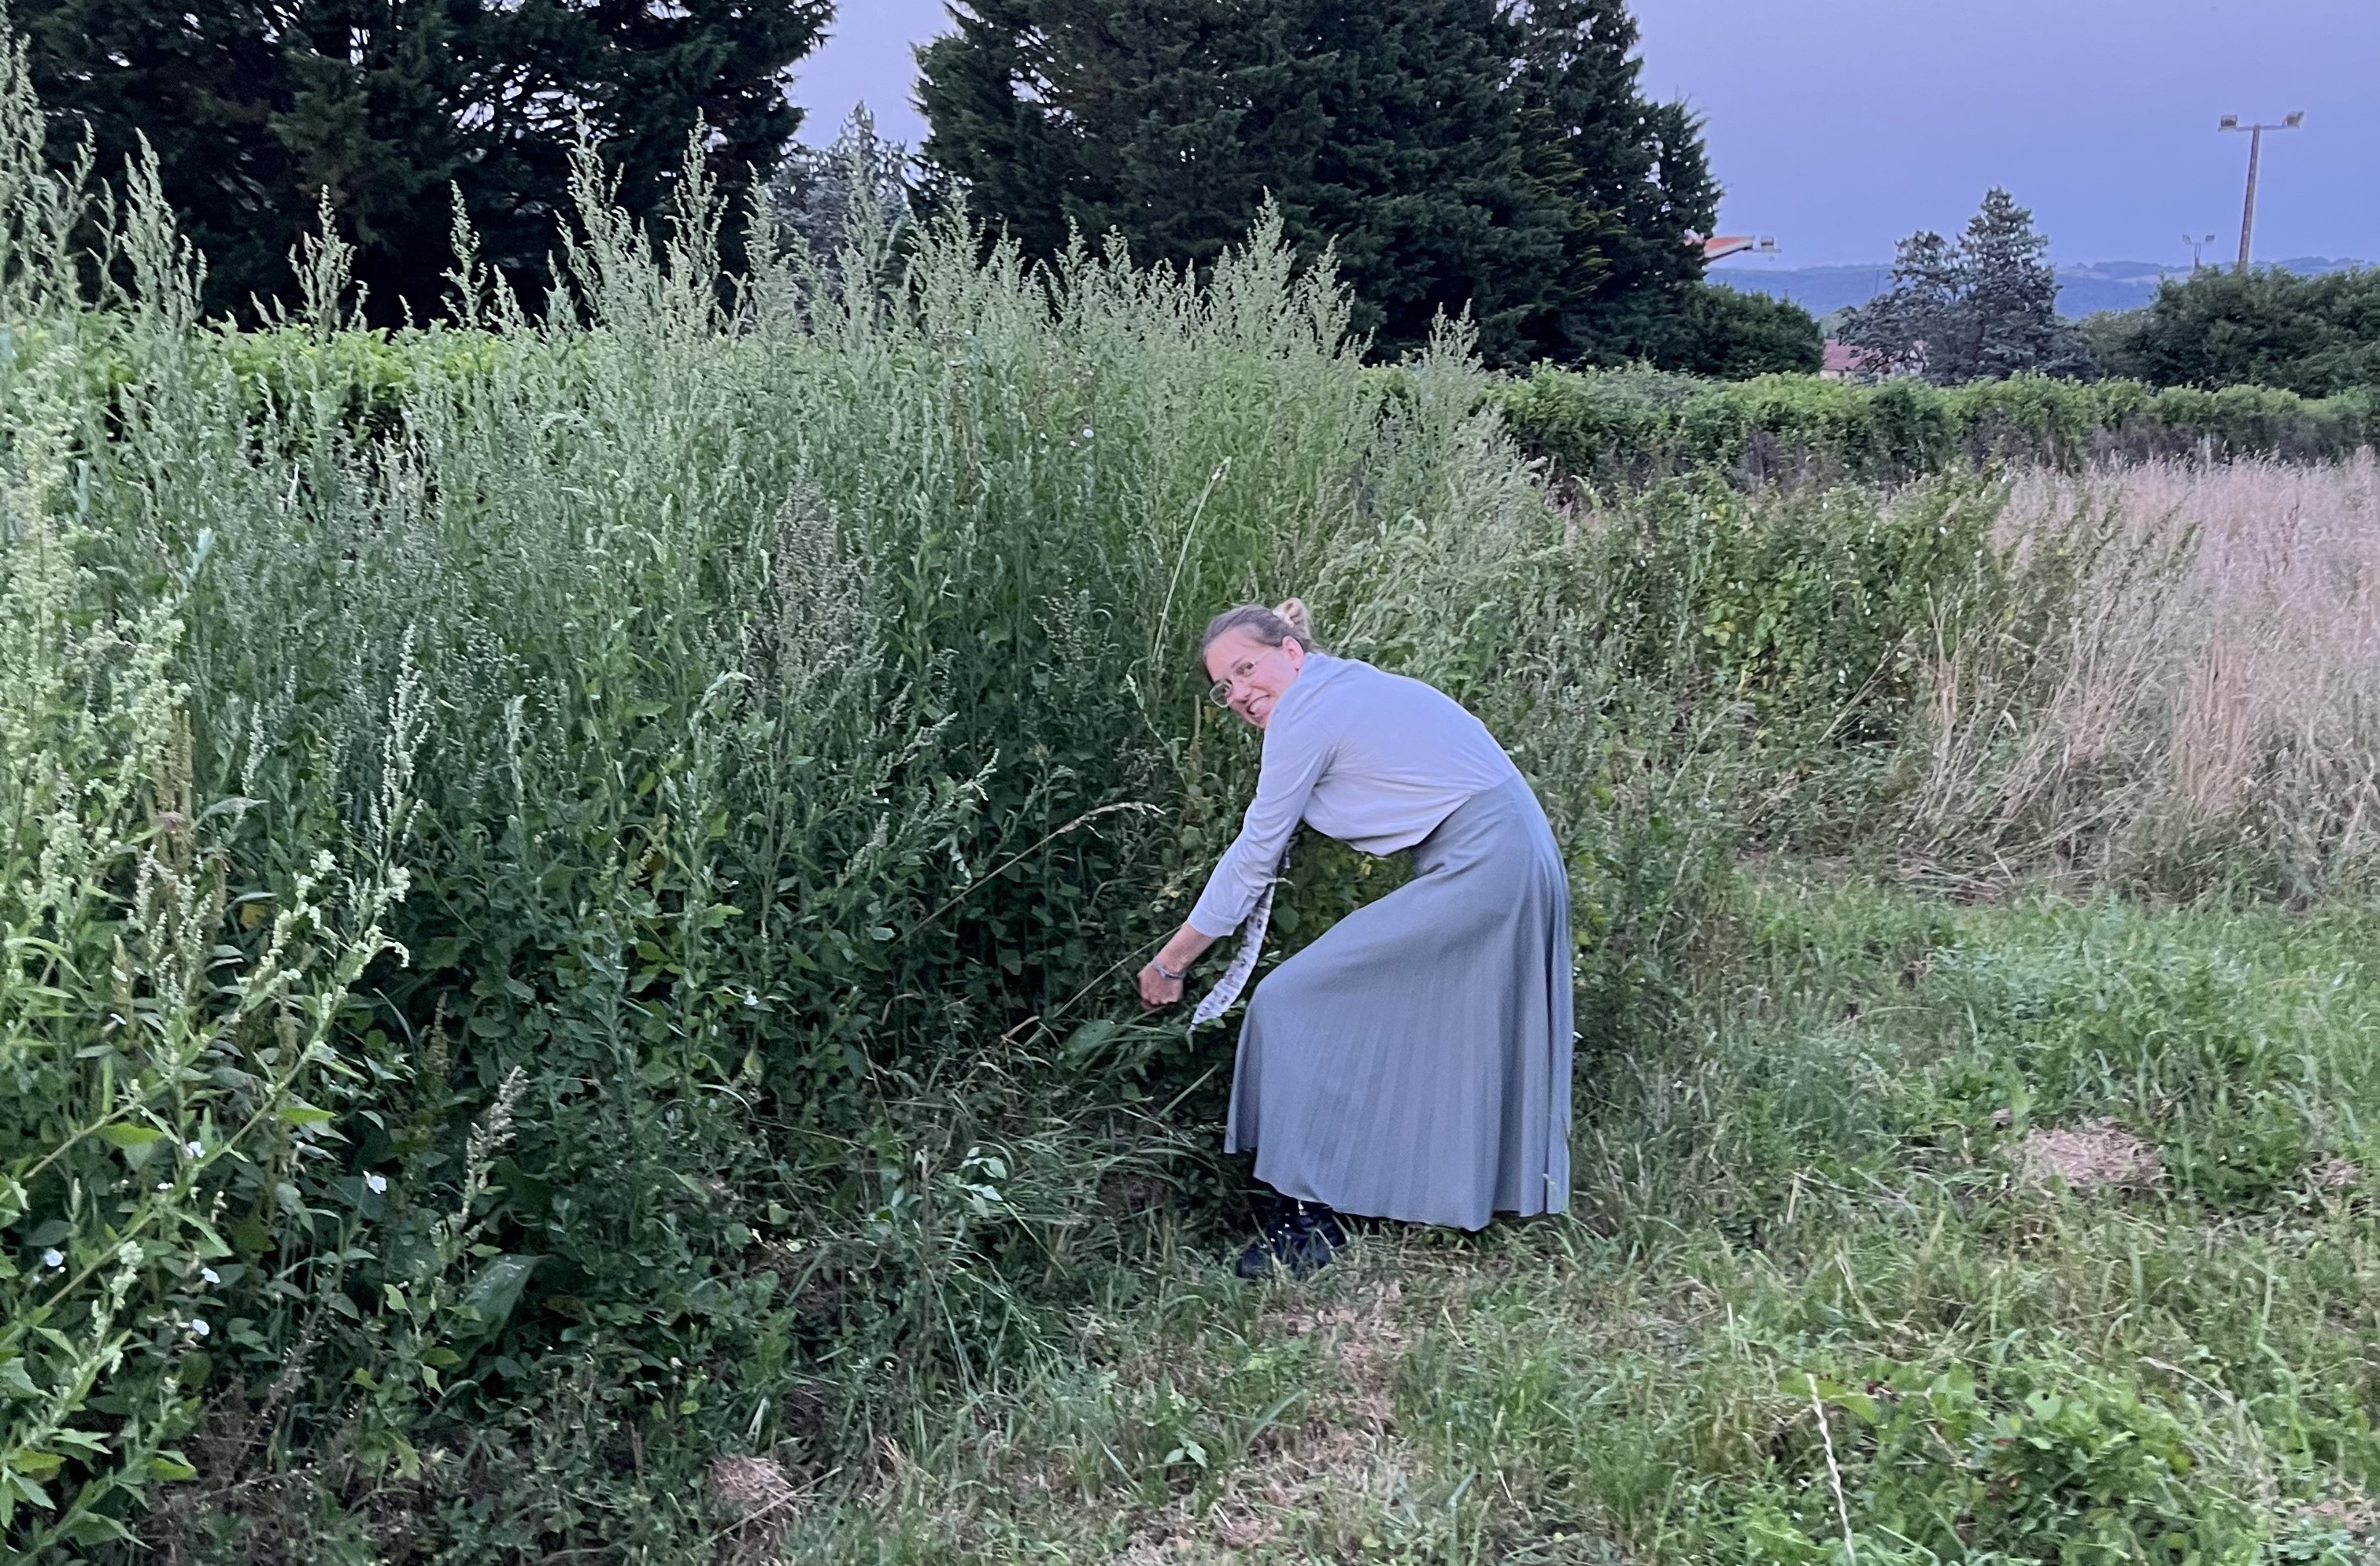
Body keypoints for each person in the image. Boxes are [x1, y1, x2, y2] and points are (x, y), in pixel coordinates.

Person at [1139, 599, 1573, 1279]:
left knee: (1292, 1002)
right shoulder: (1337, 688)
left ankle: (1312, 1223)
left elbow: (1256, 852)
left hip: (1488, 861)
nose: (1241, 693)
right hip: (1506, 850)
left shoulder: (1308, 709)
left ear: (1290, 653)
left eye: (1247, 669)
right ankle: (1380, 1192)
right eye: (1225, 688)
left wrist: (1172, 961)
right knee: (1432, 1022)